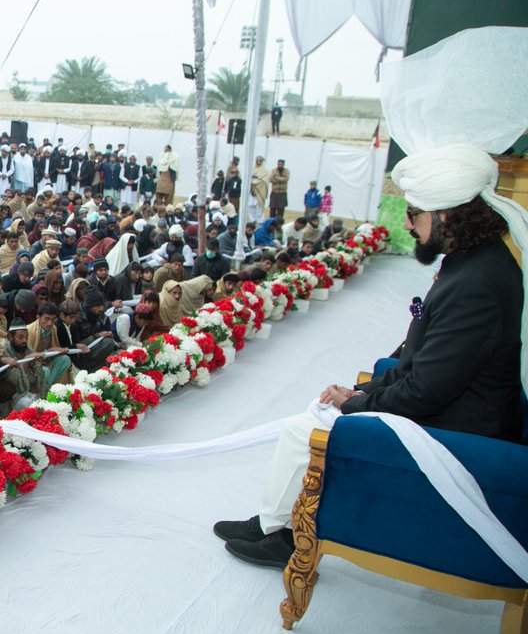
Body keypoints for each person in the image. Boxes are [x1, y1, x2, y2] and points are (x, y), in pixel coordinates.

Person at [215, 150, 526, 567]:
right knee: (316, 417)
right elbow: (421, 361)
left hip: (461, 431)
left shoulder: (477, 283)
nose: (406, 224)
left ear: (448, 215)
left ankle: (287, 535)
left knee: (302, 431)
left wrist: (356, 404)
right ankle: (276, 522)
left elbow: (426, 391)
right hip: (453, 406)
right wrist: (361, 390)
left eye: (414, 213)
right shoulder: (473, 263)